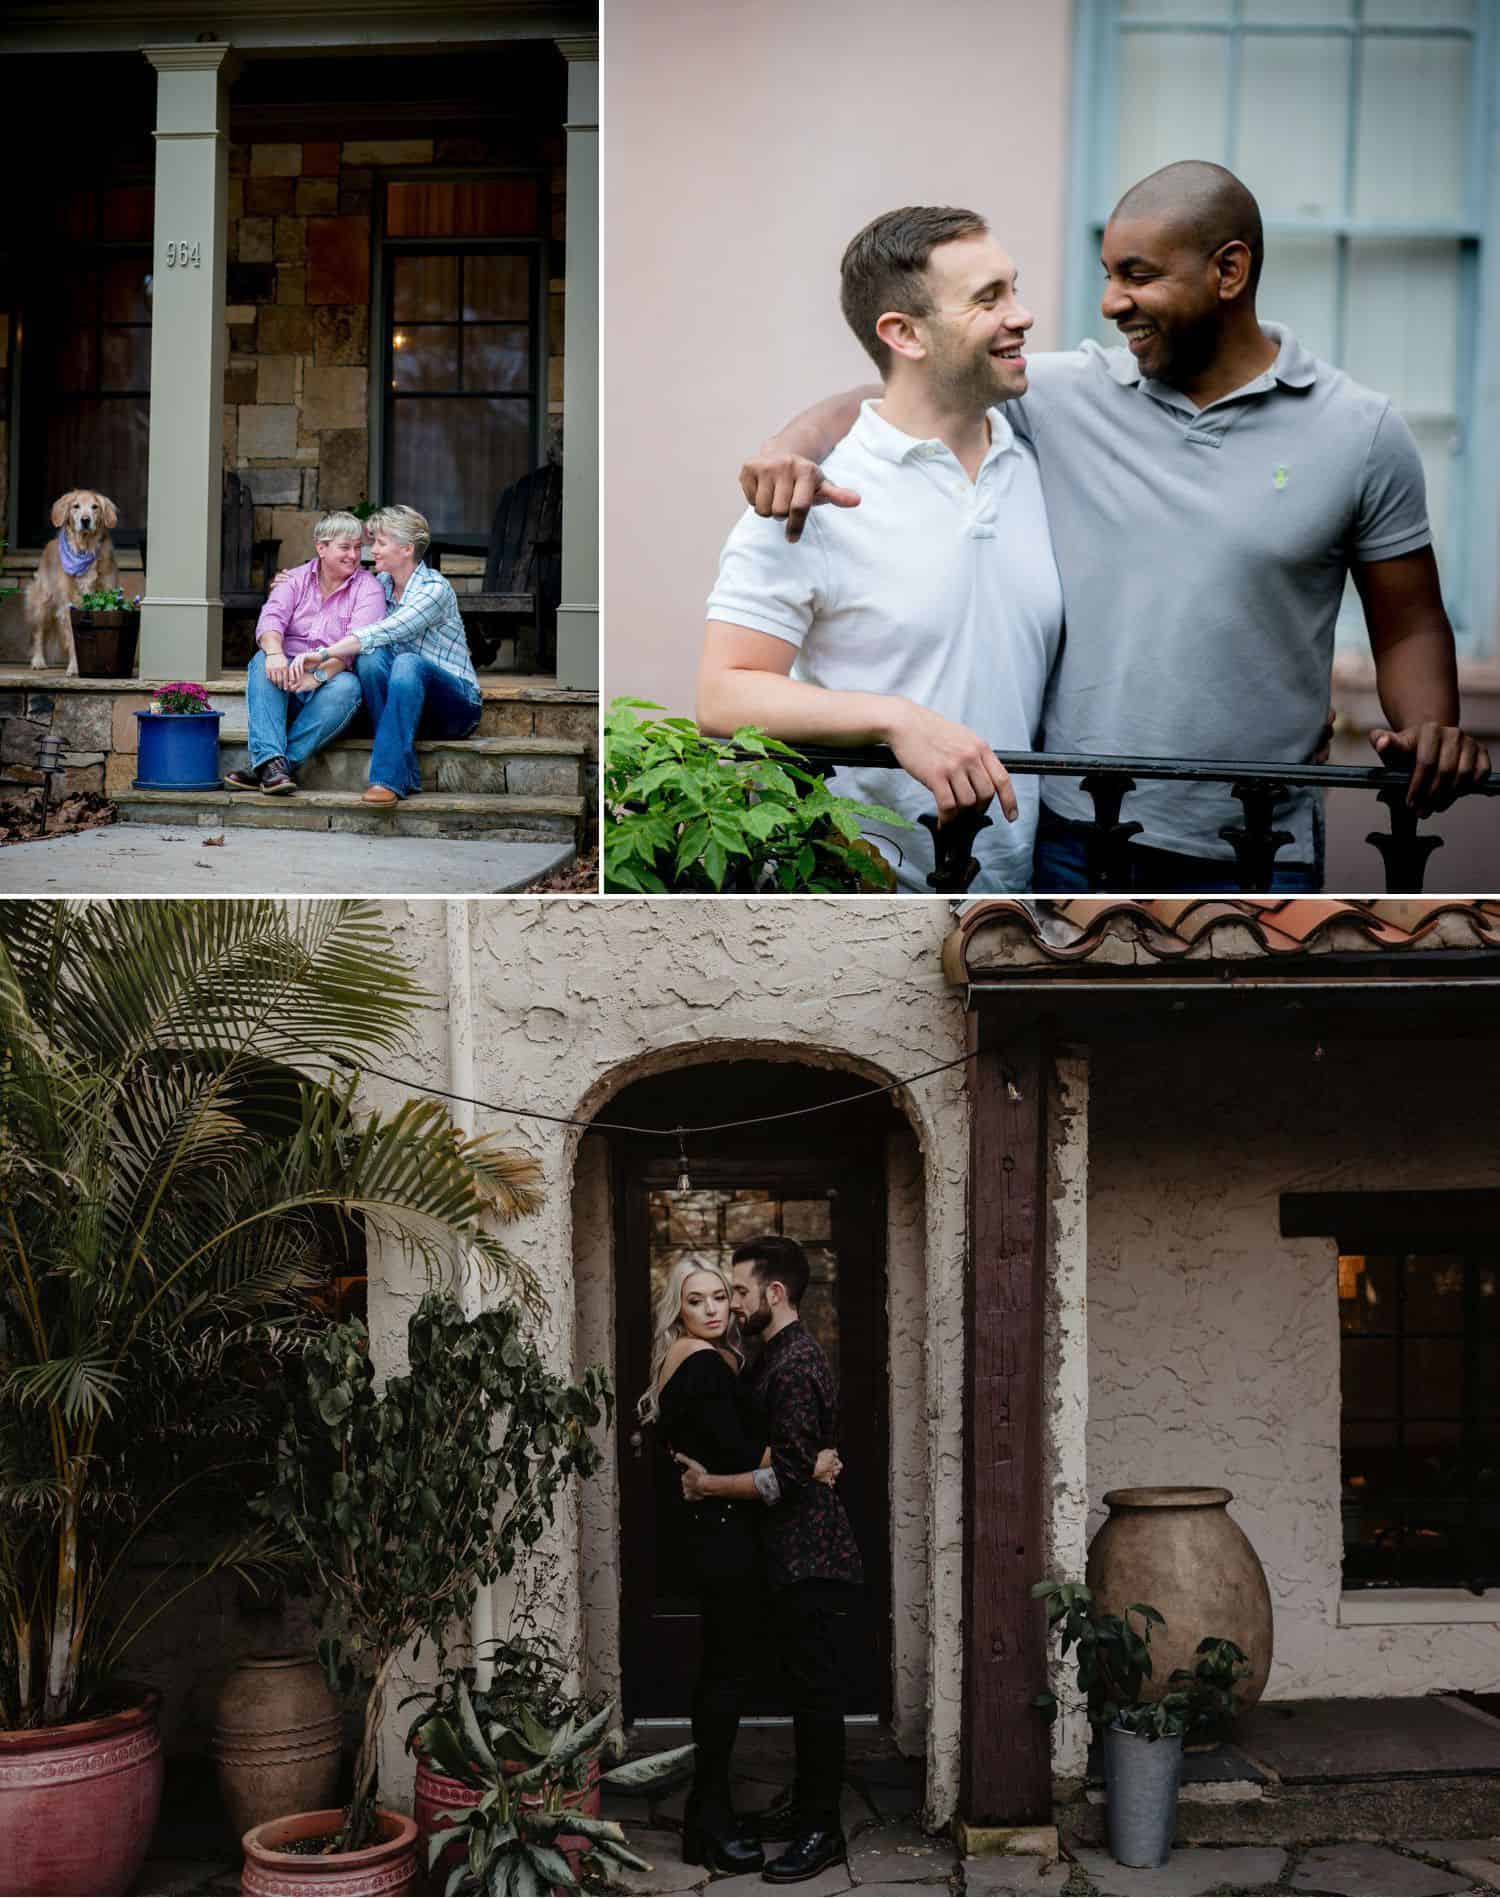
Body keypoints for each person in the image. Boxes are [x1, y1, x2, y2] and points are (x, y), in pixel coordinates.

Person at [737, 161, 1490, 892]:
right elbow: (906, 386)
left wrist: (1428, 727)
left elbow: (1411, 623)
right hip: (1073, 827)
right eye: (1107, 274)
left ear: (1229, 273)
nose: (1110, 302)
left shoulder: (1360, 433)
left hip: (1262, 840)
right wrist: (788, 448)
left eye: (1137, 276)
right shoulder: (1066, 394)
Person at [699, 204, 1064, 892]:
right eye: (988, 299)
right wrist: (894, 719)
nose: (1021, 315)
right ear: (904, 333)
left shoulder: (1042, 464)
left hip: (1019, 885)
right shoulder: (811, 493)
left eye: (1013, 289)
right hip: (859, 886)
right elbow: (722, 693)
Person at [641, 1259, 841, 1878]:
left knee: (727, 1675)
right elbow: (740, 1456)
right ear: (677, 1308)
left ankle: (714, 1814)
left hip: (725, 1535)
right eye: (696, 1299)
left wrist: (784, 1462)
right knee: (725, 1679)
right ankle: (709, 1818)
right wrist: (806, 1465)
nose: (713, 1309)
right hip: (722, 1542)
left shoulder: (722, 1361)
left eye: (721, 1297)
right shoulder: (699, 1363)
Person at [285, 504, 483, 806]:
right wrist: (289, 582)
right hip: (404, 706)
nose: (371, 549)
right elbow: (337, 593)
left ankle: (387, 778)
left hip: (455, 707)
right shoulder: (380, 586)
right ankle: (404, 770)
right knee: (370, 659)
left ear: (406, 548)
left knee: (405, 661)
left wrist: (323, 656)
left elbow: (387, 630)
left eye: (380, 542)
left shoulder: (434, 589)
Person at [225, 511, 382, 795]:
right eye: (345, 547)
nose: (354, 555)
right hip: (286, 677)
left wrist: (319, 675)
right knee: (262, 661)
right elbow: (271, 619)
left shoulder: (368, 588)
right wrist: (274, 654)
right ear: (321, 548)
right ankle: (272, 765)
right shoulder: (293, 580)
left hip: (332, 681)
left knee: (349, 686)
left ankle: (270, 766)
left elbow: (358, 643)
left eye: (358, 548)